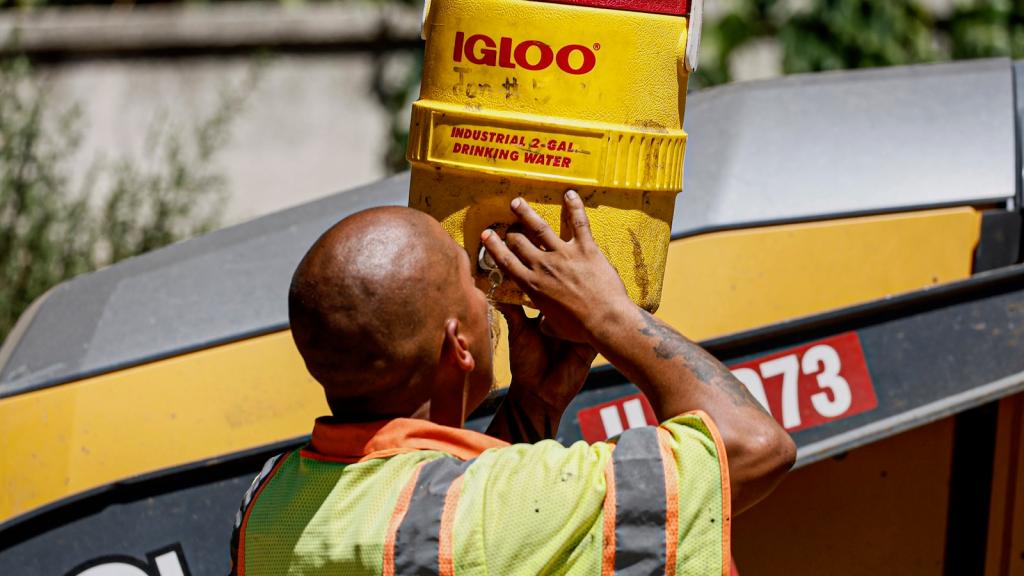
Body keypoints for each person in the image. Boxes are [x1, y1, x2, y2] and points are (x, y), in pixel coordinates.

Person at [229, 191, 795, 576]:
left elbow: (462, 529)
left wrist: (535, 404)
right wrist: (609, 314)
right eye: (471, 278)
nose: (487, 292)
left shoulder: (267, 505)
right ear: (459, 346)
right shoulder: (480, 513)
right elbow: (752, 446)